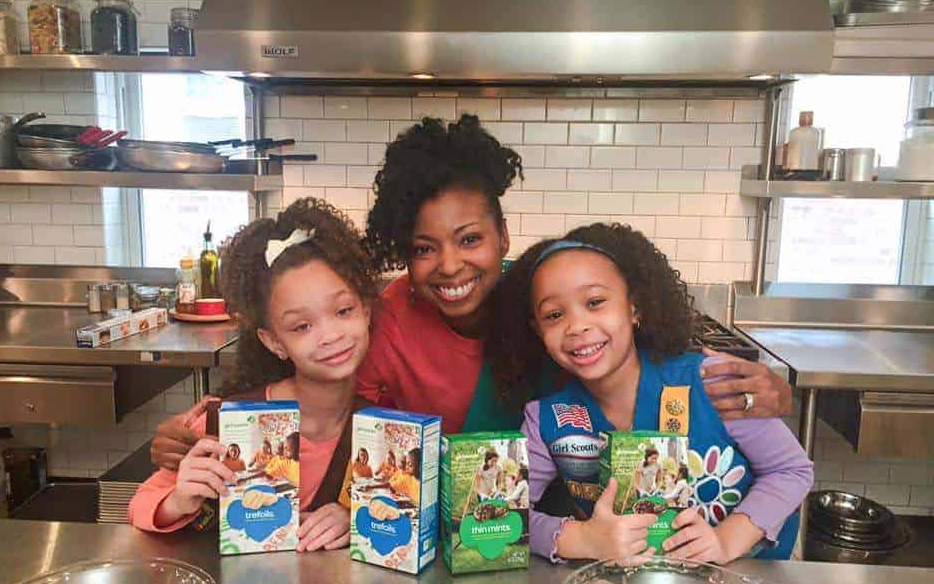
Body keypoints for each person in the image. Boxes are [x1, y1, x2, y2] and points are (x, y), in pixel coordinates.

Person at [149, 115, 794, 469]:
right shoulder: (385, 321)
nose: (448, 266)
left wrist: (768, 390)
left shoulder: (547, 301)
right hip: (443, 523)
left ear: (503, 235)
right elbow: (317, 406)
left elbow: (653, 369)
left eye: (468, 239)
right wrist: (203, 429)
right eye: (424, 248)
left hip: (579, 520)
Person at [485, 222, 814, 565]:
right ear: (538, 331)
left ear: (634, 307)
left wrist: (725, 540)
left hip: (750, 581)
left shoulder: (710, 382)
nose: (577, 326)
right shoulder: (547, 419)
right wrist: (581, 539)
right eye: (554, 314)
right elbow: (504, 514)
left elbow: (792, 471)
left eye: (595, 302)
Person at [129, 198, 378, 552]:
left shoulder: (380, 428)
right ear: (274, 342)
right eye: (302, 326)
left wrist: (355, 517)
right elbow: (140, 506)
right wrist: (179, 500)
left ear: (366, 310)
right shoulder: (228, 421)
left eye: (343, 310)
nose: (330, 335)